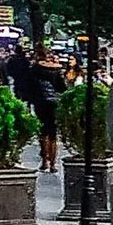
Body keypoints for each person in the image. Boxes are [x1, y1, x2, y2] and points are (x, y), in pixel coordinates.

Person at [24, 44, 66, 172]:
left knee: (43, 131)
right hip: (54, 102)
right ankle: (53, 163)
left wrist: (29, 100)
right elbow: (62, 88)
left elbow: (29, 86)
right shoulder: (57, 70)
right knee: (53, 132)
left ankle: (44, 161)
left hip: (40, 102)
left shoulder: (35, 69)